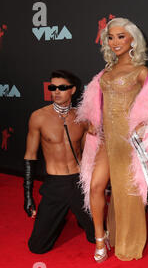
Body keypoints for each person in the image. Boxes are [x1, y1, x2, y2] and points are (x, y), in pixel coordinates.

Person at [76, 17, 148, 263]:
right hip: (106, 140)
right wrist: (91, 121)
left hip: (127, 142)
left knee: (127, 194)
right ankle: (100, 238)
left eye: (121, 36)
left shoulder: (140, 71)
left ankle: (129, 241)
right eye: (110, 37)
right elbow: (94, 106)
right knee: (94, 186)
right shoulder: (105, 72)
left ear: (133, 39)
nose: (115, 42)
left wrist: (146, 124)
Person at [24, 69, 95, 254]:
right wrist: (28, 194)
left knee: (96, 237)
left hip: (78, 182)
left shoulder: (82, 117)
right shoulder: (38, 117)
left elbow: (91, 154)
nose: (56, 91)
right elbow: (30, 156)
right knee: (37, 248)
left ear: (72, 90)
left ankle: (79, 215)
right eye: (52, 87)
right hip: (55, 184)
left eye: (62, 87)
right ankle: (61, 215)